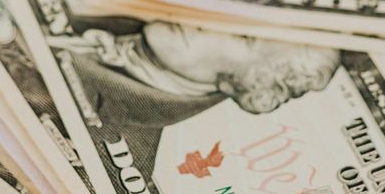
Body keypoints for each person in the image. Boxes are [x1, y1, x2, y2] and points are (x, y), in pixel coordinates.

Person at [56, 20, 343, 170]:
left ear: (252, 82)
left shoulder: (119, 152)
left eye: (243, 37)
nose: (210, 19)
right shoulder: (106, 18)